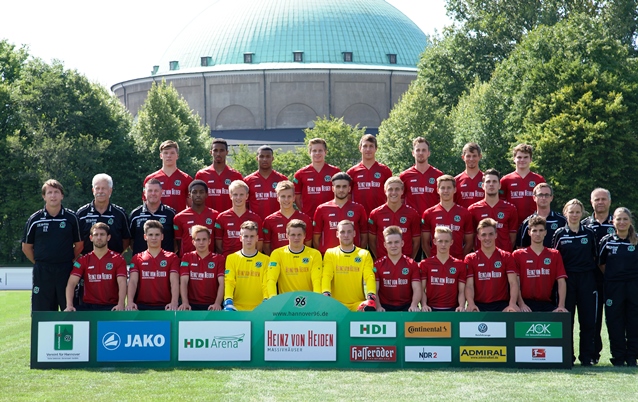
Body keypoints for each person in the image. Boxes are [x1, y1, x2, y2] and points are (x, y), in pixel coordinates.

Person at [22, 179, 83, 311]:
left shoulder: (72, 218)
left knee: (70, 309)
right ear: (44, 196)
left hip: (66, 269)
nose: (53, 196)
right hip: (42, 271)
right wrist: (39, 262)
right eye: (49, 192)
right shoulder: (35, 219)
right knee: (42, 311)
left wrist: (68, 260)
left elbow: (79, 245)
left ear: (62, 195)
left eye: (56, 192)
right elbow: (26, 247)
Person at [552, 199, 598, 366]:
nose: (574, 215)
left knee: (587, 321)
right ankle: (567, 356)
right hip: (567, 281)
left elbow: (595, 257)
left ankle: (586, 358)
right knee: (567, 320)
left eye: (577, 212)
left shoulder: (589, 233)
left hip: (587, 280)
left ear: (582, 213)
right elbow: (555, 259)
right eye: (571, 212)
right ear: (565, 213)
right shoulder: (559, 233)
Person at [599, 207, 638, 367]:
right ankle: (618, 356)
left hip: (634, 287)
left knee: (634, 321)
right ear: (612, 221)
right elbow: (601, 264)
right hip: (613, 288)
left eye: (625, 219)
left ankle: (632, 357)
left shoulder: (636, 240)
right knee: (615, 322)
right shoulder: (607, 241)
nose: (622, 222)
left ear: (630, 222)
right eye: (618, 219)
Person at [582, 187, 614, 364]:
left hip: (614, 280)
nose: (600, 202)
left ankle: (623, 353)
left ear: (609, 201)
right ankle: (593, 354)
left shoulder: (618, 223)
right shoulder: (585, 225)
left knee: (616, 318)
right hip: (590, 279)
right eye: (597, 199)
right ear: (591, 202)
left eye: (603, 199)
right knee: (593, 319)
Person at [63, 223, 127, 311]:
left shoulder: (118, 259)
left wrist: (121, 304)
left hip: (111, 307)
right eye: (96, 235)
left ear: (108, 237)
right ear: (91, 238)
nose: (99, 237)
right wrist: (69, 305)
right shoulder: (83, 260)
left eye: (102, 234)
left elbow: (122, 283)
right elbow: (71, 283)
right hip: (89, 307)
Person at [513, 216, 568, 312]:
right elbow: (515, 282)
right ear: (529, 232)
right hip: (525, 304)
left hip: (547, 304)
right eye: (534, 231)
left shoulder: (554, 254)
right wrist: (521, 304)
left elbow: (561, 281)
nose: (537, 234)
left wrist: (561, 306)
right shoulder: (518, 255)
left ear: (545, 232)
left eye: (541, 230)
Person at [464, 218, 520, 312]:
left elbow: (513, 283)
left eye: (490, 234)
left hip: (502, 305)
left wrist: (512, 303)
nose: (487, 238)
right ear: (478, 236)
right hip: (479, 305)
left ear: (496, 235)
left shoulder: (506, 256)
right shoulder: (470, 258)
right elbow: (469, 285)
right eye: (484, 235)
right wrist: (471, 303)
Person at [321, 220, 376, 311]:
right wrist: (326, 292)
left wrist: (371, 294)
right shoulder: (330, 253)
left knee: (369, 308)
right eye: (342, 232)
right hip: (337, 304)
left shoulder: (364, 254)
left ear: (354, 233)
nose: (346, 235)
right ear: (337, 234)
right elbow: (327, 275)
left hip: (358, 304)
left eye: (349, 232)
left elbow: (369, 276)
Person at [126, 220, 180, 311]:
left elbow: (174, 282)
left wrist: (174, 302)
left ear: (162, 236)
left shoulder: (172, 257)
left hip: (166, 307)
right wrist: (130, 302)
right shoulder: (137, 258)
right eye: (150, 235)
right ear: (145, 237)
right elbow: (133, 282)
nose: (154, 238)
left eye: (157, 235)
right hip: (141, 306)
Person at [313, 172, 368, 254]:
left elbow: (364, 237)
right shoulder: (322, 209)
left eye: (344, 186)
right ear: (333, 188)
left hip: (353, 257)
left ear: (349, 189)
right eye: (338, 186)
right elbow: (316, 238)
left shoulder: (359, 208)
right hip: (328, 258)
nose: (341, 190)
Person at [266, 220, 322, 298]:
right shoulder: (277, 254)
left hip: (309, 302)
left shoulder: (315, 254)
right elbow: (271, 279)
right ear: (287, 235)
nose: (296, 238)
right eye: (293, 235)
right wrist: (273, 298)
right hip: (285, 303)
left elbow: (317, 280)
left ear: (304, 235)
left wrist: (317, 298)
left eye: (299, 234)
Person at [76, 173, 131, 255]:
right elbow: (77, 241)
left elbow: (126, 240)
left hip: (113, 262)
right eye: (97, 188)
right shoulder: (82, 213)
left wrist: (115, 257)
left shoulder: (120, 214)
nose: (100, 191)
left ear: (110, 190)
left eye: (103, 188)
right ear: (93, 190)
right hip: (87, 263)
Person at [421, 175, 473, 259]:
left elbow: (469, 242)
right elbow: (425, 243)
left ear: (455, 190)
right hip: (435, 263)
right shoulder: (429, 213)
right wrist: (432, 259)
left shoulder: (465, 213)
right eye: (443, 188)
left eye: (449, 188)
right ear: (438, 190)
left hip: (457, 263)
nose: (446, 191)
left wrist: (459, 259)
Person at [368, 177, 420, 260]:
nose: (393, 192)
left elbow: (416, 241)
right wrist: (379, 259)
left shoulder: (412, 213)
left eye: (397, 189)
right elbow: (371, 241)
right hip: (383, 261)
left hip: (405, 262)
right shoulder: (375, 214)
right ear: (385, 191)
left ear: (402, 191)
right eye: (390, 189)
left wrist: (410, 260)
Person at [222, 221, 269, 311]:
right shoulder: (231, 258)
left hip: (259, 308)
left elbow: (266, 284)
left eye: (252, 236)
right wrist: (228, 299)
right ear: (240, 238)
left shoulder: (266, 259)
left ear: (257, 238)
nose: (249, 240)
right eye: (246, 236)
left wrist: (266, 299)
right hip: (236, 308)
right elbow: (229, 281)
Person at [468, 168, 518, 252]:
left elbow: (512, 237)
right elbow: (471, 237)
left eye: (494, 182)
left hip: (504, 257)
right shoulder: (473, 209)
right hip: (481, 258)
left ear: (499, 185)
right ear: (483, 186)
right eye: (488, 182)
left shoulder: (510, 208)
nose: (491, 184)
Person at [419, 226, 467, 311]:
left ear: (451, 242)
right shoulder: (425, 264)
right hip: (431, 310)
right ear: (434, 242)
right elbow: (421, 289)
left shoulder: (460, 265)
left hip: (453, 310)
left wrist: (462, 306)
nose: (443, 244)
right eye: (440, 241)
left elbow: (462, 291)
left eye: (446, 241)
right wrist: (424, 305)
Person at [373, 226, 421, 312]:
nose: (393, 245)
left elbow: (417, 288)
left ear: (402, 243)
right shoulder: (377, 265)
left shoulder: (412, 264)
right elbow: (374, 289)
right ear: (385, 245)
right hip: (384, 307)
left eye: (396, 242)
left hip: (407, 307)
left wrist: (414, 305)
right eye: (390, 243)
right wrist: (378, 306)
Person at [178, 225, 225, 311]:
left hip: (212, 305)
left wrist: (217, 303)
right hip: (191, 305)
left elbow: (222, 283)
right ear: (193, 242)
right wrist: (185, 302)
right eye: (198, 240)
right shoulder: (187, 257)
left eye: (204, 239)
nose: (201, 242)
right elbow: (184, 281)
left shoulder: (219, 259)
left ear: (209, 241)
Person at [293, 138, 341, 218]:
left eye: (320, 150)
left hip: (331, 216)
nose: (317, 153)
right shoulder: (300, 174)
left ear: (325, 152)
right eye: (314, 151)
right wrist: (304, 212)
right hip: (309, 217)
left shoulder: (335, 171)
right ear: (309, 153)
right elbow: (297, 198)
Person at [500, 143, 545, 226]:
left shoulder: (539, 179)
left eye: (525, 157)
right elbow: (500, 203)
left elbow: (544, 202)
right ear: (514, 159)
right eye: (519, 157)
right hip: (511, 223)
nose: (522, 160)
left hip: (533, 224)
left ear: (531, 159)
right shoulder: (505, 180)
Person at [262, 180, 312, 255]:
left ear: (294, 198)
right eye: (283, 196)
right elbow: (266, 246)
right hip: (279, 263)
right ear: (278, 198)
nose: (286, 200)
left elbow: (308, 244)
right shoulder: (269, 220)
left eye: (289, 196)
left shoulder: (305, 219)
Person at [346, 134, 392, 215]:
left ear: (376, 149)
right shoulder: (351, 172)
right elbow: (348, 197)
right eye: (365, 146)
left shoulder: (385, 170)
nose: (368, 149)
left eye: (371, 146)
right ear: (360, 148)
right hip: (358, 215)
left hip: (381, 215)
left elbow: (391, 195)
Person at [215, 180, 263, 256]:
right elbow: (218, 245)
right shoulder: (221, 218)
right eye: (235, 194)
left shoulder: (255, 219)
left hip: (249, 261)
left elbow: (259, 245)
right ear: (230, 196)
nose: (238, 197)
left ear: (247, 196)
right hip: (228, 261)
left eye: (241, 194)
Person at [143, 140, 193, 212]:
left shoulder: (187, 179)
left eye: (172, 153)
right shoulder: (150, 179)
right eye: (166, 153)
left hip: (178, 221)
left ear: (177, 156)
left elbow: (191, 205)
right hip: (157, 220)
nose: (169, 156)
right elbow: (145, 203)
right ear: (161, 155)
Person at [129, 179, 176, 255]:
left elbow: (176, 241)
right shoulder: (135, 214)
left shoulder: (171, 214)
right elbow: (130, 241)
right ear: (144, 193)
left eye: (156, 191)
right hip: (141, 262)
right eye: (150, 190)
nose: (153, 193)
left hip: (165, 262)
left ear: (161, 192)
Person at [195, 138, 243, 212]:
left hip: (229, 218)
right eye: (215, 150)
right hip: (208, 218)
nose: (218, 153)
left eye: (221, 150)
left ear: (227, 152)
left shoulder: (236, 175)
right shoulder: (201, 175)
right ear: (211, 152)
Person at [399, 137, 444, 215]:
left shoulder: (438, 175)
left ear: (428, 153)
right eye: (418, 150)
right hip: (411, 219)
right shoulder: (405, 176)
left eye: (423, 150)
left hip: (432, 219)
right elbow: (400, 200)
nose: (420, 153)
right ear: (413, 153)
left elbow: (443, 200)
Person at [173, 180, 218, 256]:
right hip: (187, 261)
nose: (198, 195)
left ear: (206, 194)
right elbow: (178, 242)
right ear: (189, 195)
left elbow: (217, 241)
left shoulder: (215, 216)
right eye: (194, 192)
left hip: (210, 261)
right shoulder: (179, 217)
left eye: (201, 192)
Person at [244, 145, 288, 220]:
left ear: (272, 158)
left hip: (277, 222)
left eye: (268, 156)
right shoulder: (248, 180)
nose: (265, 159)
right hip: (255, 224)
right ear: (257, 158)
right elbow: (244, 205)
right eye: (261, 156)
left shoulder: (282, 179)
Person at [516, 183, 566, 248]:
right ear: (534, 198)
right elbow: (521, 248)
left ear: (551, 198)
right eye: (540, 195)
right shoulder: (527, 223)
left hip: (556, 257)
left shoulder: (561, 220)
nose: (543, 198)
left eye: (547, 195)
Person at [454, 142, 484, 208]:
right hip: (462, 218)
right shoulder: (456, 181)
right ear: (463, 157)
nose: (471, 159)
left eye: (474, 156)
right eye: (468, 156)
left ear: (480, 156)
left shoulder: (487, 180)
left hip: (483, 218)